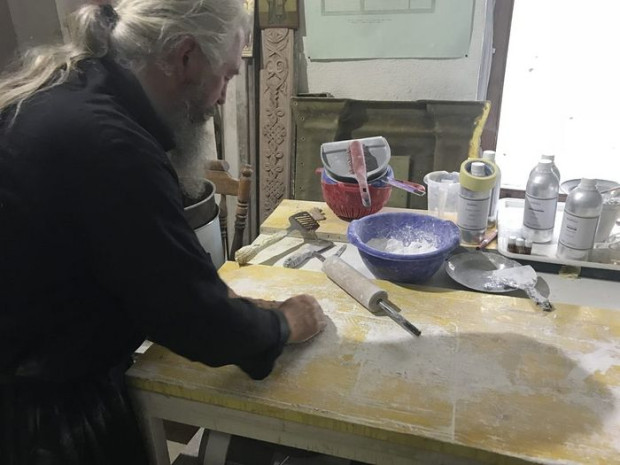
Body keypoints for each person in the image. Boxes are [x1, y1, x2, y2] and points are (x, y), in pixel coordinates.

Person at [0, 1, 326, 463]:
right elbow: (189, 319)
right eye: (226, 76)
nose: (222, 98)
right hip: (42, 417)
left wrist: (224, 302)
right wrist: (285, 324)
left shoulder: (65, 92)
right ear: (186, 56)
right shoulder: (112, 144)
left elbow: (139, 270)